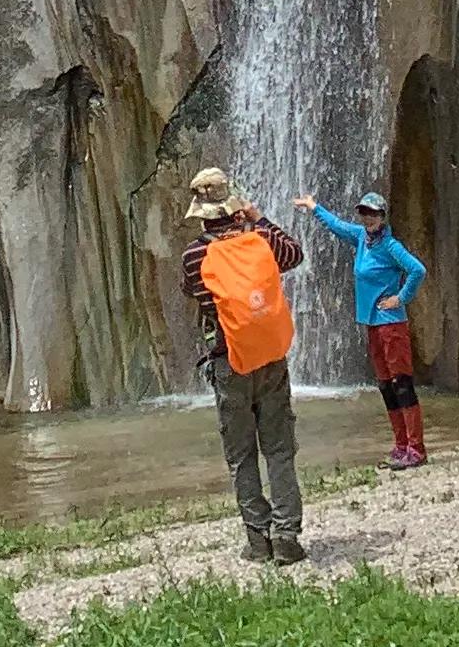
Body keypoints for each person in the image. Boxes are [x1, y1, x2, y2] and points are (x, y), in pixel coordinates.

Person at [181, 164, 307, 564]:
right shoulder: (262, 244)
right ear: (234, 209)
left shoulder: (195, 255)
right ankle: (287, 535)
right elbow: (295, 253)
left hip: (228, 361)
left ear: (201, 213)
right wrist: (259, 219)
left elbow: (194, 293)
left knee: (242, 454)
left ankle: (258, 540)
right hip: (270, 357)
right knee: (280, 450)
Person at [298, 183, 431, 467]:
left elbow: (417, 270)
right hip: (372, 322)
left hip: (391, 324)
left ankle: (416, 449)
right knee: (385, 385)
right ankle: (400, 445)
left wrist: (401, 297)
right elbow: (337, 226)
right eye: (364, 213)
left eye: (373, 213)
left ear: (383, 216)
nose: (368, 218)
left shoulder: (391, 246)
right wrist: (314, 208)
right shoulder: (361, 238)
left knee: (402, 383)